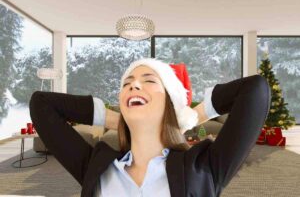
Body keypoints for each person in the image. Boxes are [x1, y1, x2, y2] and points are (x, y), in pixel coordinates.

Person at [29, 58, 271, 197]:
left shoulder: (203, 169)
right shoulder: (96, 166)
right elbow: (41, 104)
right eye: (127, 83)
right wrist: (119, 119)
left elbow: (255, 90)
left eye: (149, 80)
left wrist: (187, 117)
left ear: (170, 101)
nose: (134, 85)